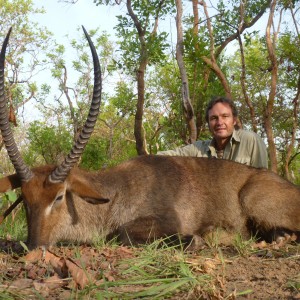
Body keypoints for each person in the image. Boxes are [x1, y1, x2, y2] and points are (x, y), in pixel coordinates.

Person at [157, 96, 268, 169]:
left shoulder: (250, 140)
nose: (219, 122)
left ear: (234, 120)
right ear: (208, 123)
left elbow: (263, 181)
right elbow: (166, 157)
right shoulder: (198, 148)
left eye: (225, 116)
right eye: (214, 118)